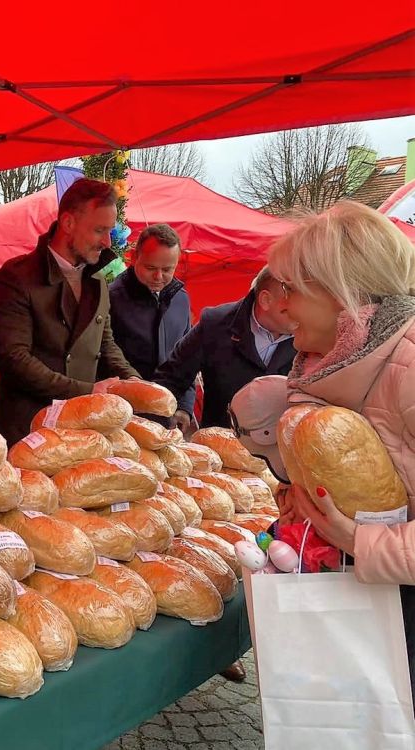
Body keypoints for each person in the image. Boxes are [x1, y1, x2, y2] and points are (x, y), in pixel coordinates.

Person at [264, 202, 415, 693]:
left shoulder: (410, 365)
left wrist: (360, 541)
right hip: (362, 598)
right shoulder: (320, 366)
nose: (278, 304)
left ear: (340, 291)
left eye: (289, 288)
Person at [0, 177, 140, 444]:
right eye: (99, 231)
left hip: (80, 432)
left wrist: (133, 382)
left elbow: (104, 343)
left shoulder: (98, 277)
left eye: (110, 231)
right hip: (27, 432)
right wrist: (87, 391)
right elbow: (14, 360)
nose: (107, 242)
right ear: (68, 223)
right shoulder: (15, 277)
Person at [153, 266, 297, 429]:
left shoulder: (316, 335)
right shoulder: (215, 324)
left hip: (285, 448)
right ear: (265, 300)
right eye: (295, 298)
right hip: (219, 446)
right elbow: (172, 377)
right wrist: (176, 410)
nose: (304, 308)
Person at [108, 223, 193, 425]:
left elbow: (188, 357)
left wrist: (185, 407)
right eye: (151, 268)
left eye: (167, 269)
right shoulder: (111, 298)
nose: (159, 277)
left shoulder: (181, 299)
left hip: (169, 415)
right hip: (122, 415)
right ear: (134, 257)